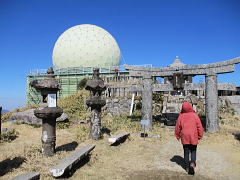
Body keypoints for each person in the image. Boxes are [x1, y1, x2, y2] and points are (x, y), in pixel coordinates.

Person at [175, 101, 204, 175]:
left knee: (186, 151)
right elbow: (199, 126)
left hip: (185, 137)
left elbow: (177, 127)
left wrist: (177, 135)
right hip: (193, 136)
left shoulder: (181, 116)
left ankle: (187, 167)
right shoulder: (195, 115)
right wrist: (200, 135)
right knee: (193, 150)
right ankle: (192, 163)